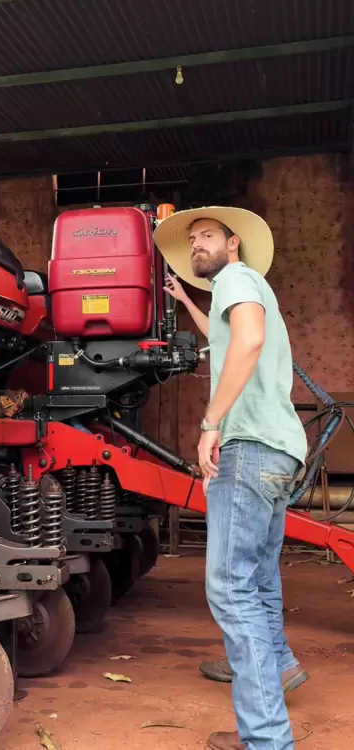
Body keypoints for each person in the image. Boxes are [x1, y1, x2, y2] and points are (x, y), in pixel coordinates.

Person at [153, 206, 308, 750]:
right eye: (192, 239)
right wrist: (186, 301)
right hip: (280, 451)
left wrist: (210, 424)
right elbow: (225, 339)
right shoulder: (236, 290)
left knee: (230, 590)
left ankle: (266, 739)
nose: (197, 244)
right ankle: (280, 665)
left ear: (234, 243)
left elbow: (247, 341)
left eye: (207, 236)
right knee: (258, 580)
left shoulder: (238, 279)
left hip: (248, 450)